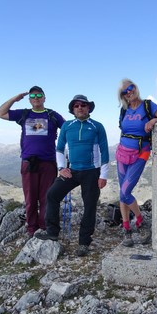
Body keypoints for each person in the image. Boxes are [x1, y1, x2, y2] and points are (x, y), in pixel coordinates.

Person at [34, 95, 109, 257]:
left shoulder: (97, 126)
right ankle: (52, 232)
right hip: (72, 171)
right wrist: (62, 168)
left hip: (91, 172)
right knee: (52, 195)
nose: (80, 107)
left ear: (89, 108)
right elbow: (59, 149)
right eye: (76, 105)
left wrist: (103, 175)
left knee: (89, 206)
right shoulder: (67, 126)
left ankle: (84, 243)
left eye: (83, 105)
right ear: (73, 109)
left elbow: (104, 151)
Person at [0, 86, 65, 236]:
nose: (36, 98)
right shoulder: (24, 114)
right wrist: (15, 99)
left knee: (46, 197)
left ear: (44, 98)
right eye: (33, 96)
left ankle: (44, 227)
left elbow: (67, 130)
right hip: (28, 162)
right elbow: (0, 113)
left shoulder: (52, 115)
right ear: (29, 99)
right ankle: (32, 229)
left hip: (48, 162)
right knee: (30, 197)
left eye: (39, 95)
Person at [116, 78, 157, 247]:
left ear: (135, 88)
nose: (128, 93)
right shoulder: (124, 110)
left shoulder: (148, 105)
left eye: (130, 88)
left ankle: (140, 220)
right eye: (124, 92)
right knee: (122, 192)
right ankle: (127, 229)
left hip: (141, 152)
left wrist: (154, 120)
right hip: (122, 153)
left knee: (125, 192)